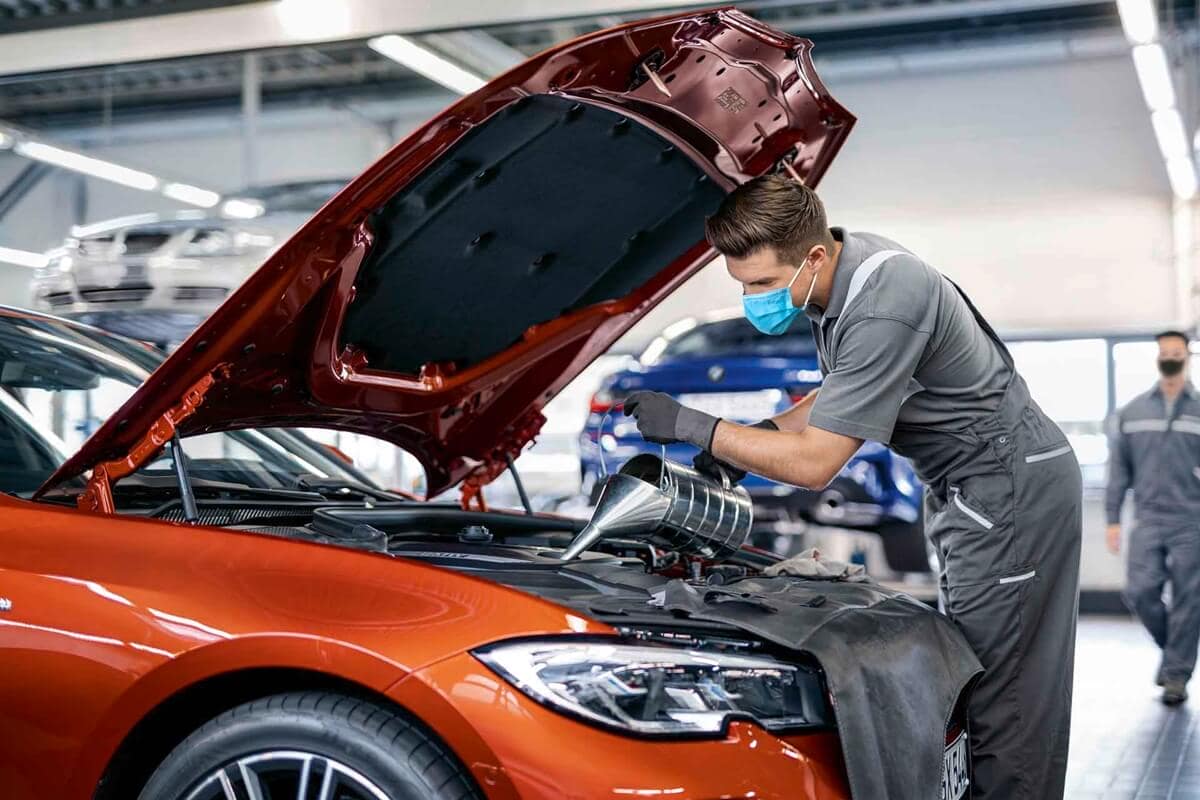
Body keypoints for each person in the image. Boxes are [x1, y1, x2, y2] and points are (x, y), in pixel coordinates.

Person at [622, 175, 1082, 800]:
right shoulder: (840, 277)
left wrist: (694, 426)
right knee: (975, 678)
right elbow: (836, 400)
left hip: (1007, 487)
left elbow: (817, 464)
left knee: (1007, 700)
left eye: (761, 283)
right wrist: (750, 439)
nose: (755, 298)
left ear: (812, 256)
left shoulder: (885, 296)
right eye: (742, 286)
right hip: (972, 487)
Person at [1107, 330, 1200, 705]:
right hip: (1147, 518)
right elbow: (1119, 472)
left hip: (1192, 519)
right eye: (1165, 353)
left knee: (1189, 598)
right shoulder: (1132, 413)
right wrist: (1113, 519)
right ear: (1157, 358)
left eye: (1177, 352)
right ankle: (1174, 652)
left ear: (1188, 356)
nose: (1171, 357)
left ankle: (1176, 675)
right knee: (1139, 592)